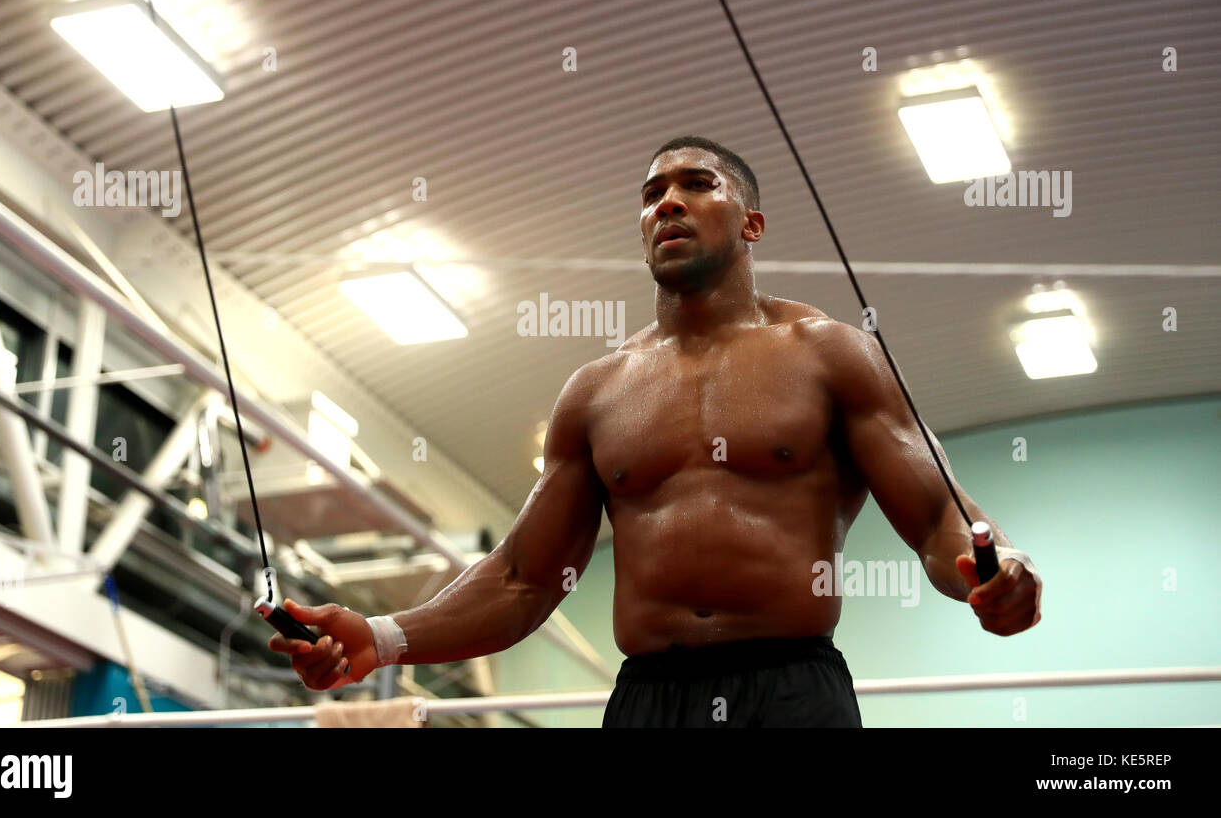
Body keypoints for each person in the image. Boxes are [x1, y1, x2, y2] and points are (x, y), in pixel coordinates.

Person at [269, 135, 1043, 727]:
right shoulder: (597, 392)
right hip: (647, 701)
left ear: (752, 222)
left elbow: (941, 517)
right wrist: (382, 635)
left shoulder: (830, 354)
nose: (666, 203)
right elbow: (523, 579)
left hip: (792, 689)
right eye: (651, 193)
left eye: (696, 184)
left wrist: (997, 570)